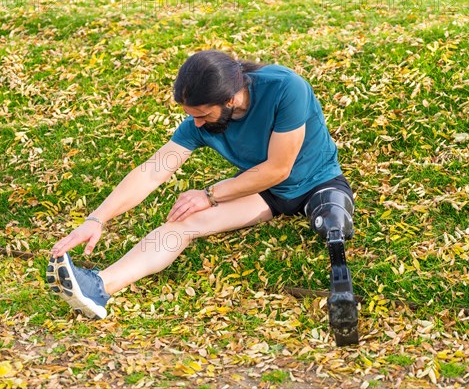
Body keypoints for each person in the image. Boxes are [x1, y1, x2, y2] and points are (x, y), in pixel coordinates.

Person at [47, 50, 358, 345]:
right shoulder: (201, 120)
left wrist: (210, 195)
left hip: (319, 181)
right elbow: (153, 171)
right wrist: (97, 218)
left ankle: (330, 218)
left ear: (231, 99)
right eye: (191, 115)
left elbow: (279, 168)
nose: (196, 123)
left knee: (332, 222)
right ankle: (99, 287)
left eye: (202, 115)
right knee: (183, 222)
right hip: (262, 192)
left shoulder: (286, 88)